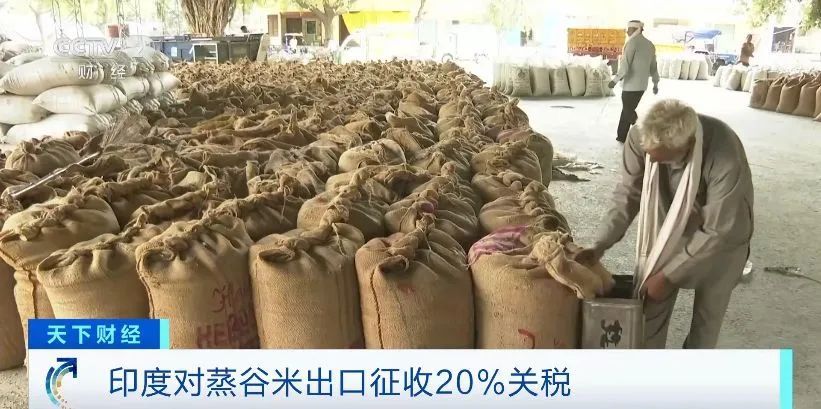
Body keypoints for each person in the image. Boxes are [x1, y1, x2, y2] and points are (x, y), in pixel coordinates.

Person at [577, 99, 754, 349]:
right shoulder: (640, 138)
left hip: (723, 241)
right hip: (668, 233)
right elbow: (628, 194)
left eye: (661, 159)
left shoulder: (725, 154)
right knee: (649, 312)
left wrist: (670, 276)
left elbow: (717, 230)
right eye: (649, 155)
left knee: (706, 324)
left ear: (687, 146)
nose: (651, 161)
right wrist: (600, 244)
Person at [609, 20, 660, 144]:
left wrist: (614, 80)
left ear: (637, 29)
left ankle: (645, 130)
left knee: (628, 112)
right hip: (642, 86)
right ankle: (621, 136)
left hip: (630, 86)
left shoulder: (631, 43)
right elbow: (654, 66)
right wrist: (655, 83)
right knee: (627, 110)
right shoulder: (650, 45)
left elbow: (625, 66)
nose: (627, 32)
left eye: (629, 29)